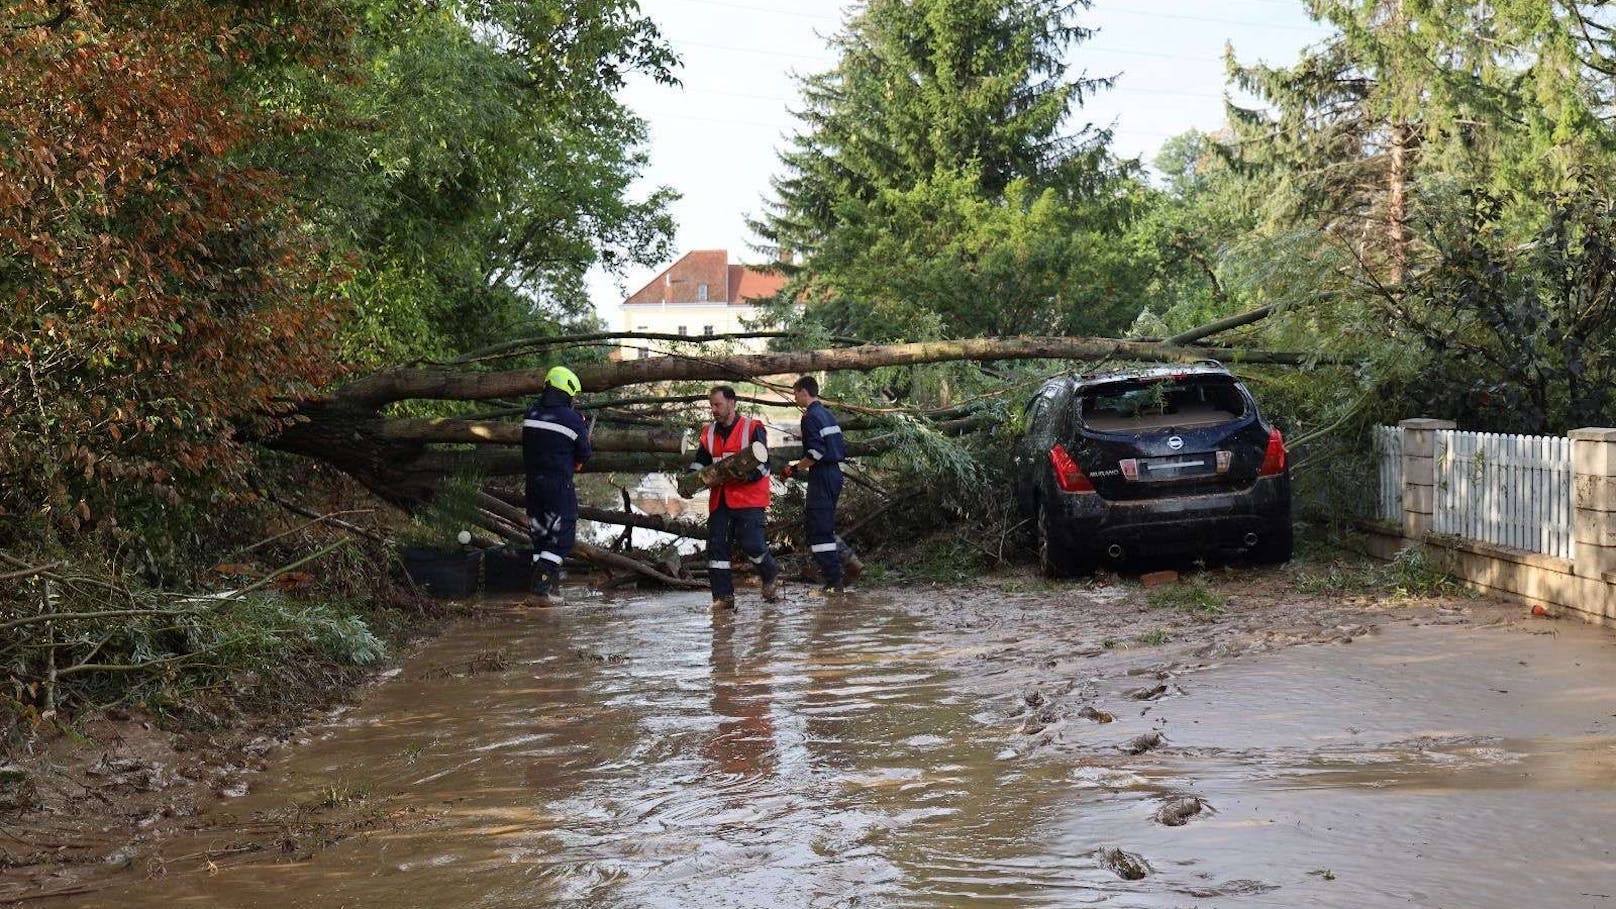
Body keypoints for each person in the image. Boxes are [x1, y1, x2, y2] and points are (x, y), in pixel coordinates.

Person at [690, 385, 781, 610]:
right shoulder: (708, 432)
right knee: (717, 549)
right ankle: (723, 599)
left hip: (748, 498)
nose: (714, 409)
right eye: (711, 405)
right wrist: (689, 480)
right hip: (720, 499)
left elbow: (765, 463)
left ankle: (770, 574)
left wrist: (747, 477)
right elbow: (700, 461)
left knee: (753, 545)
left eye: (718, 404)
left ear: (732, 403)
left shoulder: (752, 428)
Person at [783, 375, 864, 594]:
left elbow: (816, 453)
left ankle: (833, 582)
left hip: (822, 475)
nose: (794, 398)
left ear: (803, 392)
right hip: (834, 474)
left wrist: (794, 468)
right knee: (825, 526)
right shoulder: (827, 414)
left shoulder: (809, 417)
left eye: (795, 393)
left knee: (818, 532)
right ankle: (850, 562)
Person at [522, 366, 592, 606]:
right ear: (567, 391)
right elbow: (584, 453)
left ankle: (543, 589)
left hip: (533, 485)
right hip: (558, 486)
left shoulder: (531, 413)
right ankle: (541, 589)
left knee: (540, 538)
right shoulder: (573, 419)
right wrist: (581, 426)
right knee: (562, 537)